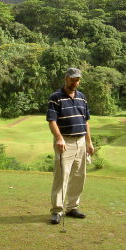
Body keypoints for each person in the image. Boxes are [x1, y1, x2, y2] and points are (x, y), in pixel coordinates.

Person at [46, 67, 94, 225]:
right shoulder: (55, 97)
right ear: (66, 79)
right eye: (73, 79)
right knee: (62, 176)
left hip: (81, 141)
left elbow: (85, 121)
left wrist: (89, 142)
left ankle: (72, 207)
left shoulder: (82, 97)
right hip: (65, 142)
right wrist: (59, 138)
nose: (76, 82)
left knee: (79, 176)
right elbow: (52, 121)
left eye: (78, 79)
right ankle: (57, 210)